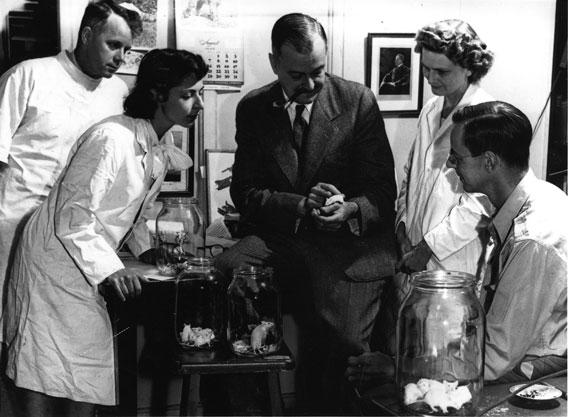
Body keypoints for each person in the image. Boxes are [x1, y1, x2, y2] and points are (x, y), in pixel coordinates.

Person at [3, 48, 208, 417]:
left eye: (200, 93)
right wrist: (112, 269)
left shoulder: (159, 146)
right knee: (41, 368)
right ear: (159, 94)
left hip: (80, 261)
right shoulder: (112, 138)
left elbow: (135, 212)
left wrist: (147, 252)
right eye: (188, 94)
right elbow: (72, 215)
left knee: (83, 372)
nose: (198, 105)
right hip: (52, 261)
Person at [212, 12, 397, 414]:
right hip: (286, 239)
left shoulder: (357, 101)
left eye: (319, 71)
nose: (310, 85)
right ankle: (249, 407)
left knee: (344, 350)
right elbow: (245, 192)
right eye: (298, 75)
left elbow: (383, 192)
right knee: (222, 272)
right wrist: (298, 204)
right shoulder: (254, 108)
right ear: (274, 62)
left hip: (349, 248)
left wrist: (348, 208)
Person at [346, 101, 567, 385]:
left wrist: (400, 367)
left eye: (457, 156)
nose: (450, 164)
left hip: (539, 370)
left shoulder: (534, 240)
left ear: (489, 161)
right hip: (518, 356)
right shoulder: (536, 197)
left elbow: (493, 356)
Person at [0, 0, 142, 340]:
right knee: (7, 332)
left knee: (52, 341)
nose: (121, 57)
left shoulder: (118, 93)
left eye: (127, 49)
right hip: (13, 228)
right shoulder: (29, 75)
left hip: (72, 237)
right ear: (86, 34)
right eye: (113, 44)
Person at [374, 19, 495, 356]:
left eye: (441, 71)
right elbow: (411, 174)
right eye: (426, 69)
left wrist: (428, 247)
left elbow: (482, 201)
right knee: (409, 352)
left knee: (443, 356)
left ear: (470, 68)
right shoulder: (430, 108)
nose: (431, 79)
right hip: (411, 251)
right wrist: (401, 227)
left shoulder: (486, 116)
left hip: (452, 258)